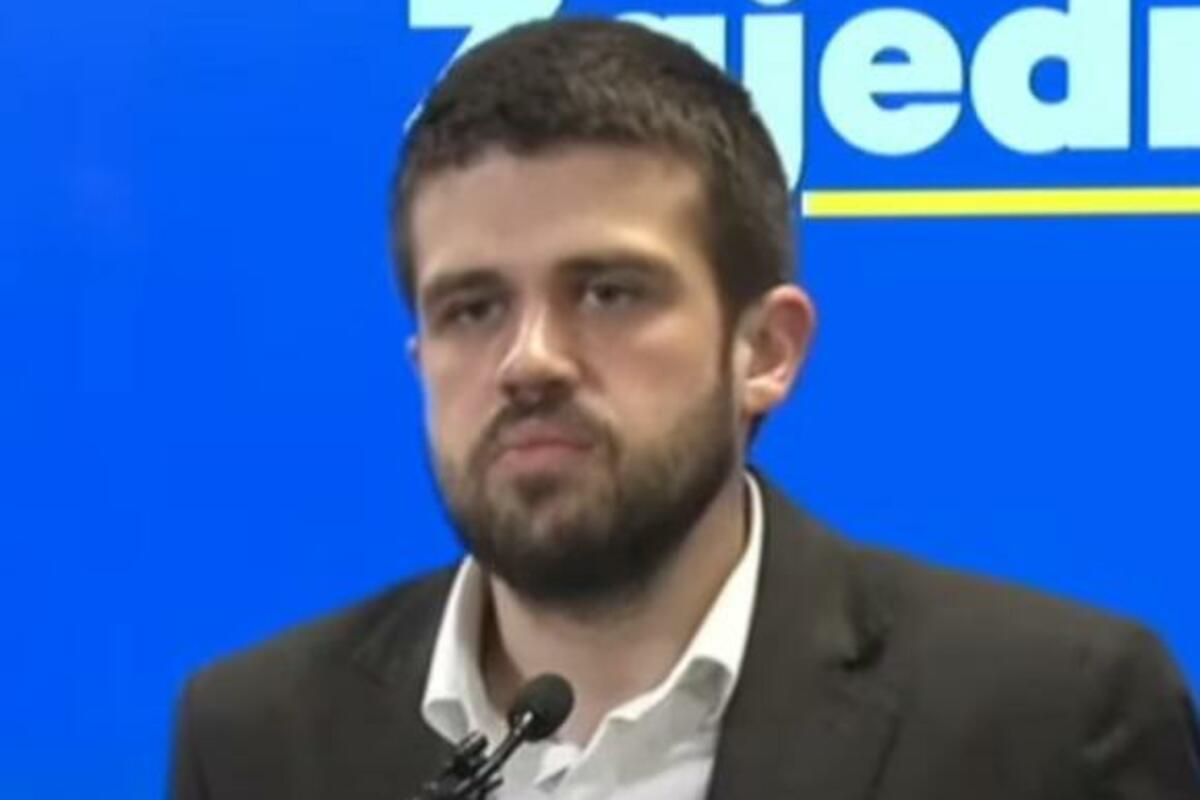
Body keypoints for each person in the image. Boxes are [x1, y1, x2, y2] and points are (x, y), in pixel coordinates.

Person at [170, 17, 1200, 800]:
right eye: (472, 308)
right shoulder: (258, 738)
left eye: (608, 292)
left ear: (766, 351)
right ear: (420, 356)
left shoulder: (1051, 719)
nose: (530, 360)